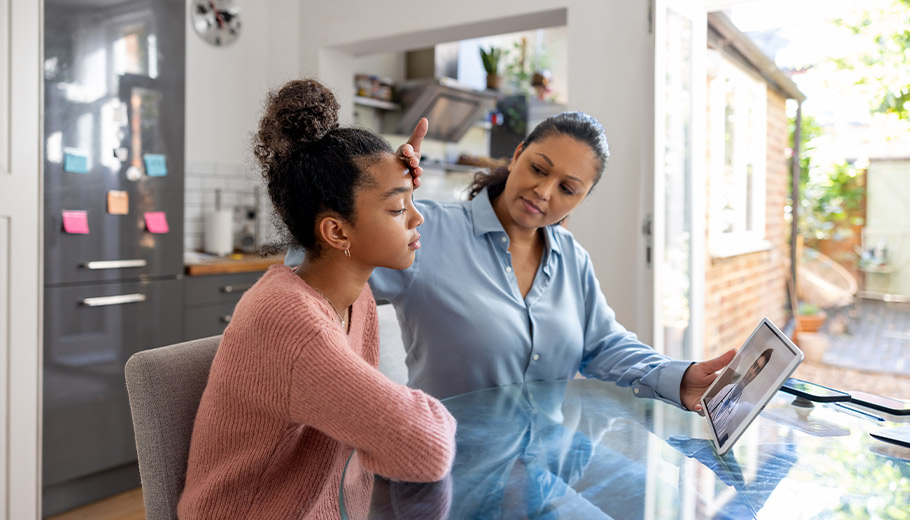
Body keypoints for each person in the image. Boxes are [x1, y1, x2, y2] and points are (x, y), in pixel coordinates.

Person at [287, 111, 734, 410]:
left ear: (580, 200)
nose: (544, 192)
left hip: (547, 476)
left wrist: (680, 377)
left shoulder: (572, 260)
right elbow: (308, 272)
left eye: (568, 187)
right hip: (444, 474)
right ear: (517, 155)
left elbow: (603, 345)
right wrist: (377, 195)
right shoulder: (428, 231)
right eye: (539, 169)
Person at [178, 79, 456, 520]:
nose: (418, 217)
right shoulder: (288, 320)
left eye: (410, 202)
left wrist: (390, 182)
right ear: (337, 231)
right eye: (398, 208)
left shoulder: (354, 295)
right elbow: (425, 444)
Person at [706, 348, 773, 444]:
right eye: (754, 366)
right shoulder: (727, 388)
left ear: (758, 375)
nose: (752, 372)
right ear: (750, 366)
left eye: (757, 370)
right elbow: (708, 409)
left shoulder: (745, 406)